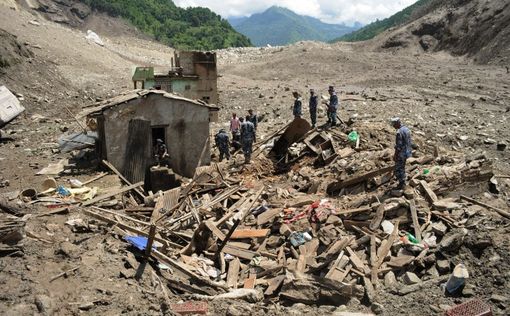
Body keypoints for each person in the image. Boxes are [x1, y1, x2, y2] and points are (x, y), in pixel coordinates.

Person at [391, 117, 412, 189]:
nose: (393, 126)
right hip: (407, 152)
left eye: (394, 124)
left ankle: (402, 184)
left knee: (398, 169)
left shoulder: (399, 132)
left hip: (401, 154)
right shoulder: (406, 129)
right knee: (402, 167)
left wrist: (395, 155)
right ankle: (403, 182)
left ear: (397, 123)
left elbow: (398, 146)